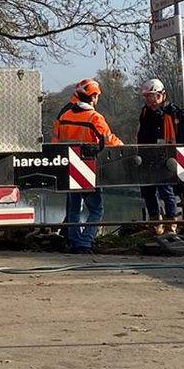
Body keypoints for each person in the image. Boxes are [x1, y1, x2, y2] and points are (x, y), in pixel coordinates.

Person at [50, 78, 122, 254]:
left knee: (74, 208)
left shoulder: (64, 115)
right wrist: (125, 148)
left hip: (68, 167)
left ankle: (74, 242)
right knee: (97, 209)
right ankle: (85, 241)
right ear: (94, 96)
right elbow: (109, 140)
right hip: (88, 169)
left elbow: (55, 140)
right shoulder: (94, 117)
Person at [136, 79, 184, 233]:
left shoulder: (171, 112)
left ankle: (170, 224)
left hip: (165, 157)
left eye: (150, 96)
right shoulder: (145, 111)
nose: (147, 100)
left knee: (166, 191)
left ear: (160, 95)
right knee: (148, 191)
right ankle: (154, 224)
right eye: (145, 96)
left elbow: (176, 136)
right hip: (146, 155)